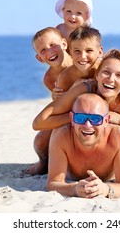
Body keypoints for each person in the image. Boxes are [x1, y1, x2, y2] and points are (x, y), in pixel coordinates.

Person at [33, 49, 120, 171]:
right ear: (97, 75)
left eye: (119, 76)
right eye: (106, 72)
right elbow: (38, 123)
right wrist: (80, 117)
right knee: (41, 140)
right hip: (83, 146)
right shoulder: (85, 88)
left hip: (113, 151)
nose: (111, 79)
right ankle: (45, 165)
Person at [47, 93, 120, 198]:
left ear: (106, 121)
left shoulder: (117, 136)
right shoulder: (61, 135)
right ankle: (42, 163)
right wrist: (74, 189)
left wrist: (105, 189)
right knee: (40, 142)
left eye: (95, 119)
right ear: (71, 118)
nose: (87, 125)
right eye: (80, 118)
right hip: (60, 158)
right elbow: (53, 183)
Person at [26, 27, 73, 175]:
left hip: (88, 111)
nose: (50, 51)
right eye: (43, 50)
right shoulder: (49, 78)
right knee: (40, 141)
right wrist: (55, 97)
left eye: (53, 45)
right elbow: (61, 106)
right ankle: (44, 163)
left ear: (64, 44)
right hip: (68, 113)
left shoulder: (79, 60)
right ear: (39, 58)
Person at [54, 26, 103, 93]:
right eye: (77, 51)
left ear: (100, 52)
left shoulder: (106, 70)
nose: (83, 56)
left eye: (89, 50)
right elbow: (59, 102)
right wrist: (74, 88)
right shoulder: (66, 77)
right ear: (71, 53)